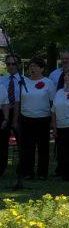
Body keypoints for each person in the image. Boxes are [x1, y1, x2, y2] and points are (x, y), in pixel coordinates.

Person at [17, 58, 56, 188]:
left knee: (43, 147)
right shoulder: (24, 81)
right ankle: (28, 172)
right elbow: (19, 100)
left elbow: (53, 103)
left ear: (42, 68)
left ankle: (42, 173)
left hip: (42, 119)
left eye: (35, 66)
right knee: (28, 147)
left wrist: (53, 120)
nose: (32, 68)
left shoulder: (48, 83)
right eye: (30, 66)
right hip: (26, 118)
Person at [0, 54, 25, 182]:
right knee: (2, 143)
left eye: (13, 64)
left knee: (22, 142)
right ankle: (1, 169)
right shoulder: (2, 80)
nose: (10, 66)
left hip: (20, 114)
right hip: (4, 113)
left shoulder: (24, 81)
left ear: (19, 65)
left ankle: (23, 169)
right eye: (8, 64)